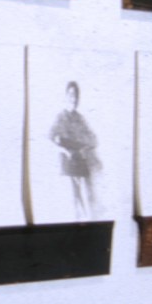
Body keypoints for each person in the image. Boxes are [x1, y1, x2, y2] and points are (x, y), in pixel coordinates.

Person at [48, 80, 100, 221]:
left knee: (86, 201)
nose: (73, 98)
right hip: (67, 164)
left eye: (76, 95)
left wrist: (85, 149)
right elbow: (50, 138)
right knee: (71, 202)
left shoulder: (80, 119)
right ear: (66, 96)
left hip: (80, 162)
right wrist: (63, 150)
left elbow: (93, 140)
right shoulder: (60, 117)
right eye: (71, 94)